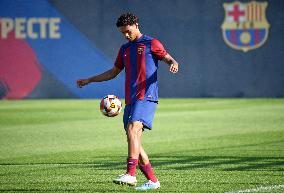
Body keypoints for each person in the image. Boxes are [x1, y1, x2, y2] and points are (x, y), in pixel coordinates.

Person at [77, 12, 178, 191]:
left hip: (146, 96)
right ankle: (153, 181)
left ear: (136, 25)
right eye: (123, 32)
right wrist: (89, 79)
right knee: (134, 141)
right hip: (130, 99)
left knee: (133, 129)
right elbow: (113, 72)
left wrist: (173, 62)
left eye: (128, 31)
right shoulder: (125, 49)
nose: (126, 35)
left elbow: (167, 57)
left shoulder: (151, 43)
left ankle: (130, 174)